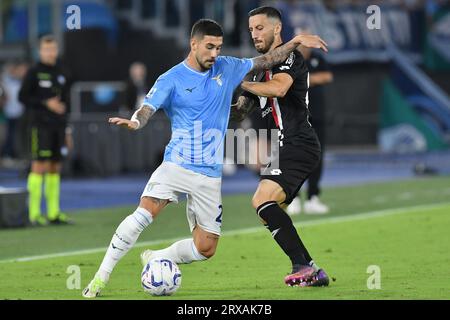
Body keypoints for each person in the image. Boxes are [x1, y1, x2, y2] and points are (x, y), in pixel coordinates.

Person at [82, 19, 327, 298]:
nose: (214, 54)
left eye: (219, 48)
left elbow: (269, 59)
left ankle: (155, 256)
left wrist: (295, 42)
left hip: (210, 174)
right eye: (209, 47)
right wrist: (136, 123)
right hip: (177, 164)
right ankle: (100, 279)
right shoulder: (171, 78)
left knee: (205, 248)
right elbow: (147, 108)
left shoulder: (228, 67)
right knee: (144, 213)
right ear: (194, 44)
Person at [231, 6, 329, 287]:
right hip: (282, 147)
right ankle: (307, 267)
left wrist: (242, 82)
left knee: (262, 201)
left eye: (260, 27)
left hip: (298, 142)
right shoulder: (259, 71)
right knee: (267, 207)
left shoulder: (290, 59)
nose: (254, 34)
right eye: (251, 29)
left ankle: (305, 265)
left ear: (277, 28)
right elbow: (240, 112)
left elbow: (279, 89)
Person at [18, 35, 72, 226]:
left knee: (55, 167)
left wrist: (68, 131)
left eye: (53, 49)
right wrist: (46, 103)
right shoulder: (33, 72)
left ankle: (53, 213)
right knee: (39, 166)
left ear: (56, 50)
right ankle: (33, 214)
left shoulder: (62, 72)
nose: (50, 53)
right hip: (39, 126)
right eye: (46, 49)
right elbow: (22, 97)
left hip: (58, 127)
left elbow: (66, 104)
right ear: (40, 51)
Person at [286, 45, 333, 215]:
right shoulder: (289, 60)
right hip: (297, 116)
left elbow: (327, 76)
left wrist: (303, 79)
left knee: (317, 156)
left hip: (317, 115)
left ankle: (313, 198)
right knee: (295, 157)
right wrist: (311, 79)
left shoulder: (317, 58)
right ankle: (294, 198)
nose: (305, 48)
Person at [1, 61, 27, 162]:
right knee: (8, 135)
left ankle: (15, 154)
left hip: (18, 112)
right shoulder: (5, 81)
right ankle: (7, 154)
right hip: (8, 112)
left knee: (16, 135)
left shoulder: (20, 81)